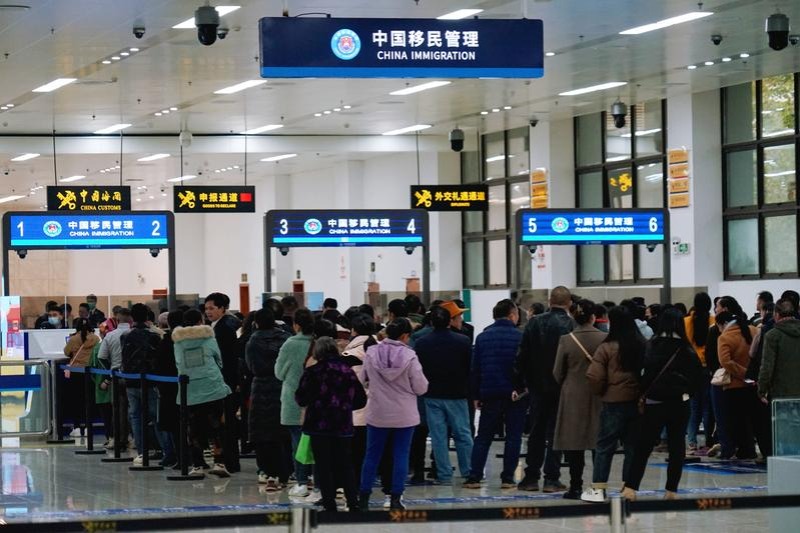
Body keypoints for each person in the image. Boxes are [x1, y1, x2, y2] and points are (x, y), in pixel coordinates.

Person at [624, 308, 704, 501]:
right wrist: (686, 392)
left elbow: (641, 373)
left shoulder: (652, 345)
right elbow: (697, 378)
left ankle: (631, 488)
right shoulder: (686, 349)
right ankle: (671, 491)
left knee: (643, 447)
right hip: (679, 404)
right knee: (677, 447)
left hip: (653, 403)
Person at [358, 318, 428, 511]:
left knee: (372, 456)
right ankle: (396, 498)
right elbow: (421, 387)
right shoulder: (410, 356)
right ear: (405, 336)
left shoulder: (371, 353)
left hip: (378, 412)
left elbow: (362, 379)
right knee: (401, 456)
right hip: (404, 415)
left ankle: (363, 498)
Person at [296, 337, 366, 514]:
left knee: (323, 466)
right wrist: (345, 407)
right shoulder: (347, 371)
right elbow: (360, 400)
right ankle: (353, 502)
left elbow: (301, 398)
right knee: (346, 464)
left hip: (319, 426)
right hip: (342, 425)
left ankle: (329, 504)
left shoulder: (313, 372)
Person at [582, 306, 645, 502]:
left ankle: (599, 490)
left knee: (604, 447)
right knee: (632, 447)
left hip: (612, 403)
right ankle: (628, 488)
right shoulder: (642, 344)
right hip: (637, 403)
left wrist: (601, 392)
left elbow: (594, 376)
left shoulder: (606, 347)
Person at [515, 286, 575, 492]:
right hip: (562, 388)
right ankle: (552, 478)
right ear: (569, 303)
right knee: (556, 434)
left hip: (537, 387)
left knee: (536, 432)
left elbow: (522, 356)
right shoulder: (571, 325)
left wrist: (521, 382)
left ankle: (531, 477)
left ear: (550, 301)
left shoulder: (534, 323)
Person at [464, 299, 526, 489]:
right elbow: (525, 366)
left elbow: (475, 369)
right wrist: (523, 388)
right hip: (515, 395)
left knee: (483, 437)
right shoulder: (520, 337)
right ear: (512, 315)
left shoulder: (483, 337)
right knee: (513, 437)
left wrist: (476, 395)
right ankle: (507, 478)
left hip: (489, 393)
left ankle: (474, 477)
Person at [552, 299, 607, 499]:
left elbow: (557, 372)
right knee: (599, 444)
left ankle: (575, 486)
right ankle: (599, 488)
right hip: (600, 395)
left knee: (575, 444)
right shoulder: (605, 338)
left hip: (573, 397)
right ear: (593, 317)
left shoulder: (567, 340)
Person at [415, 306, 473, 485]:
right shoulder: (463, 341)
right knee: (462, 434)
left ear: (432, 322)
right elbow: (469, 367)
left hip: (431, 394)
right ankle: (468, 470)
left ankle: (444, 474)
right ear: (449, 321)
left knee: (438, 436)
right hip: (457, 394)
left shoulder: (422, 342)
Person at [172, 308, 232, 477]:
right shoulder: (209, 338)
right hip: (212, 387)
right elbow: (219, 360)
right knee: (217, 427)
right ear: (200, 321)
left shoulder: (178, 342)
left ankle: (197, 465)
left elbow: (178, 363)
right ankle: (219, 463)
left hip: (190, 389)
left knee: (193, 429)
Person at [121, 303, 175, 468]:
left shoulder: (125, 336)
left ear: (132, 317)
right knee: (156, 417)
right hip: (151, 381)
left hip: (131, 381)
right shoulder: (154, 336)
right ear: (147, 317)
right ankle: (167, 451)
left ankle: (141, 452)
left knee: (136, 417)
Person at [245, 307, 291, 490]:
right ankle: (287, 470)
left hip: (261, 387)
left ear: (256, 323)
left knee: (263, 432)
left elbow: (251, 367)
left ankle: (268, 471)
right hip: (283, 385)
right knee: (284, 431)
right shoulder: (286, 338)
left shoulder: (253, 341)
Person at [275, 308, 315, 497]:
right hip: (317, 400)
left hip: (294, 399)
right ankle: (317, 479)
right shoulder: (318, 342)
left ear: (296, 325)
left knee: (298, 443)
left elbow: (279, 373)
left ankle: (301, 482)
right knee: (317, 442)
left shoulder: (290, 343)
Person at [204, 292, 242, 473]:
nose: (208, 312)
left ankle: (228, 461)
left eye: (212, 308)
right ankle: (225, 460)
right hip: (222, 381)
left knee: (225, 423)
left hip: (225, 382)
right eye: (206, 308)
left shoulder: (224, 328)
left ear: (223, 308)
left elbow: (226, 359)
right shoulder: (218, 326)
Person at [340, 313, 379, 490]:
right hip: (380, 410)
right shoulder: (381, 349)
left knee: (354, 455)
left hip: (355, 412)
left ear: (353, 331)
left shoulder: (349, 355)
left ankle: (354, 488)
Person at [716, 299, 758, 460]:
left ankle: (743, 450)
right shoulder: (753, 330)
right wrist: (752, 374)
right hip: (754, 385)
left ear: (723, 324)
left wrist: (744, 374)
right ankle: (751, 449)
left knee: (737, 420)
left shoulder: (725, 337)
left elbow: (725, 362)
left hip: (734, 385)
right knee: (752, 419)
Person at [684, 292, 716, 454]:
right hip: (708, 369)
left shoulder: (686, 322)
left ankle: (691, 441)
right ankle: (709, 441)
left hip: (691, 369)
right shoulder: (713, 321)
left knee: (693, 406)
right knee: (707, 407)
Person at [63, 317, 101, 436]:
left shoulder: (73, 339)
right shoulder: (96, 338)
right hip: (90, 372)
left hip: (76, 372)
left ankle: (77, 427)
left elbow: (66, 352)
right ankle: (88, 427)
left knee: (76, 400)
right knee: (89, 400)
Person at [153, 310, 181, 467]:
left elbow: (158, 364)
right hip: (184, 386)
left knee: (170, 424)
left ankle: (173, 455)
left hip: (167, 389)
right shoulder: (187, 339)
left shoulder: (166, 341)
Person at [759, 298, 800, 401]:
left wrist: (762, 390)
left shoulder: (772, 335)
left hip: (781, 393)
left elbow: (767, 366)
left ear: (777, 315)